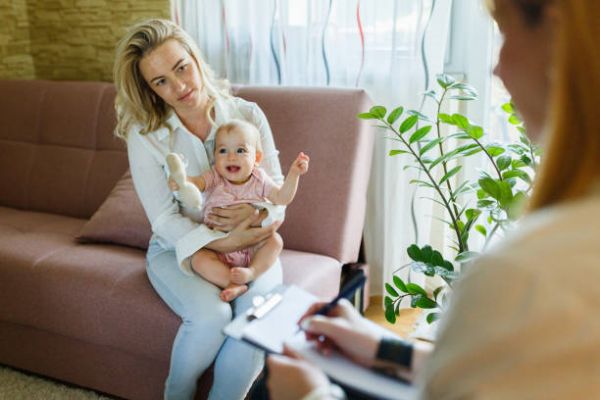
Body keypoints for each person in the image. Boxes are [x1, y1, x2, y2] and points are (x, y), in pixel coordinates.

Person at [266, 0, 600, 398]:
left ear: (556, 36)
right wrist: (387, 348)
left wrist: (310, 395)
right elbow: (518, 376)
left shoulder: (526, 276)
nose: (497, 69)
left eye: (505, 34)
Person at [113, 18, 286, 400]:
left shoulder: (248, 115)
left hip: (255, 246)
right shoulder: (145, 136)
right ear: (150, 89)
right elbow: (162, 219)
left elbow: (278, 202)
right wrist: (219, 244)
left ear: (195, 56)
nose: (180, 87)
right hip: (181, 249)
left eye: (181, 68)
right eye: (161, 82)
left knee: (258, 319)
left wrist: (257, 220)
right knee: (211, 318)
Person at [169, 119, 310, 302]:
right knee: (198, 259)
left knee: (275, 241)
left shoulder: (259, 179)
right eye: (223, 151)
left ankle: (251, 272)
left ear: (257, 158)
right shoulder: (215, 176)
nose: (231, 157)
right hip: (218, 241)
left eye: (240, 150)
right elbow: (196, 183)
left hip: (252, 244)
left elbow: (282, 198)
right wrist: (182, 181)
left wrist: (294, 175)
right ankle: (233, 283)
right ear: (215, 157)